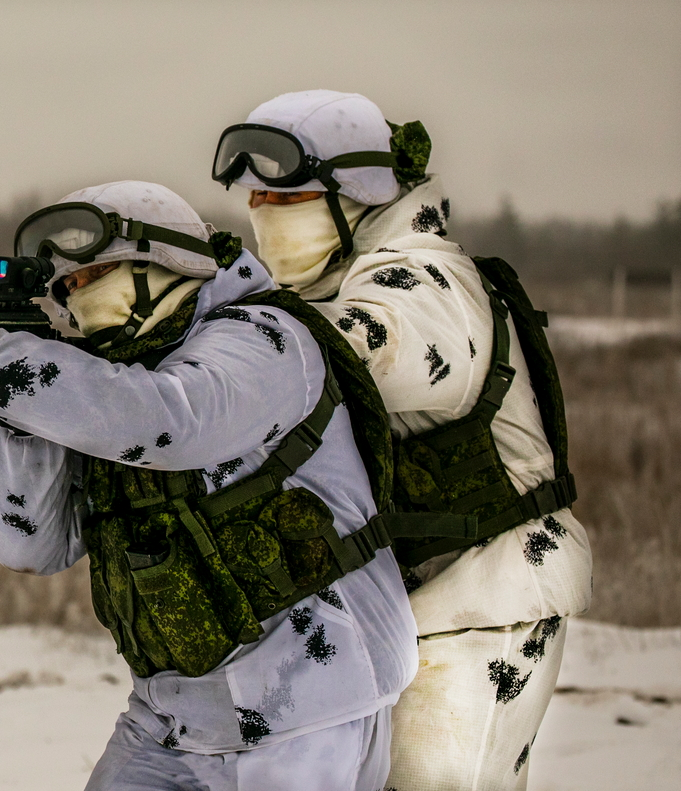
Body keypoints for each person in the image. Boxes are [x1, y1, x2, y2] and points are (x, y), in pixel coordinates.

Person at [0, 180, 418, 790]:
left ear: (167, 259)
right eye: (67, 288)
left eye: (95, 274)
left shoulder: (264, 338)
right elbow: (29, 546)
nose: (79, 297)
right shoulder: (105, 383)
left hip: (314, 701)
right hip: (173, 717)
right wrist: (15, 407)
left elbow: (173, 421)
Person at [211, 90, 592, 790]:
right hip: (390, 607)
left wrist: (205, 359)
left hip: (478, 596)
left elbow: (361, 355)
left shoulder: (423, 279)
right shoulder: (321, 288)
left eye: (284, 200)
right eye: (255, 202)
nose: (262, 219)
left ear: (353, 195)